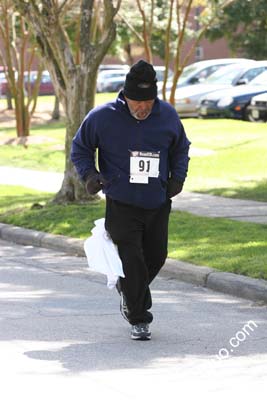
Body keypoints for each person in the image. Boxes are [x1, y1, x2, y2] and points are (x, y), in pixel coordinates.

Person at [71, 60, 191, 341]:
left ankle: (128, 290)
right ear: (125, 96)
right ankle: (139, 318)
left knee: (156, 257)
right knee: (133, 259)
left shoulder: (168, 116)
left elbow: (181, 149)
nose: (142, 107)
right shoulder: (103, 117)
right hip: (121, 202)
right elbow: (81, 148)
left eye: (148, 101)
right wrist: (90, 175)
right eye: (136, 101)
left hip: (157, 201)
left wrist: (178, 179)